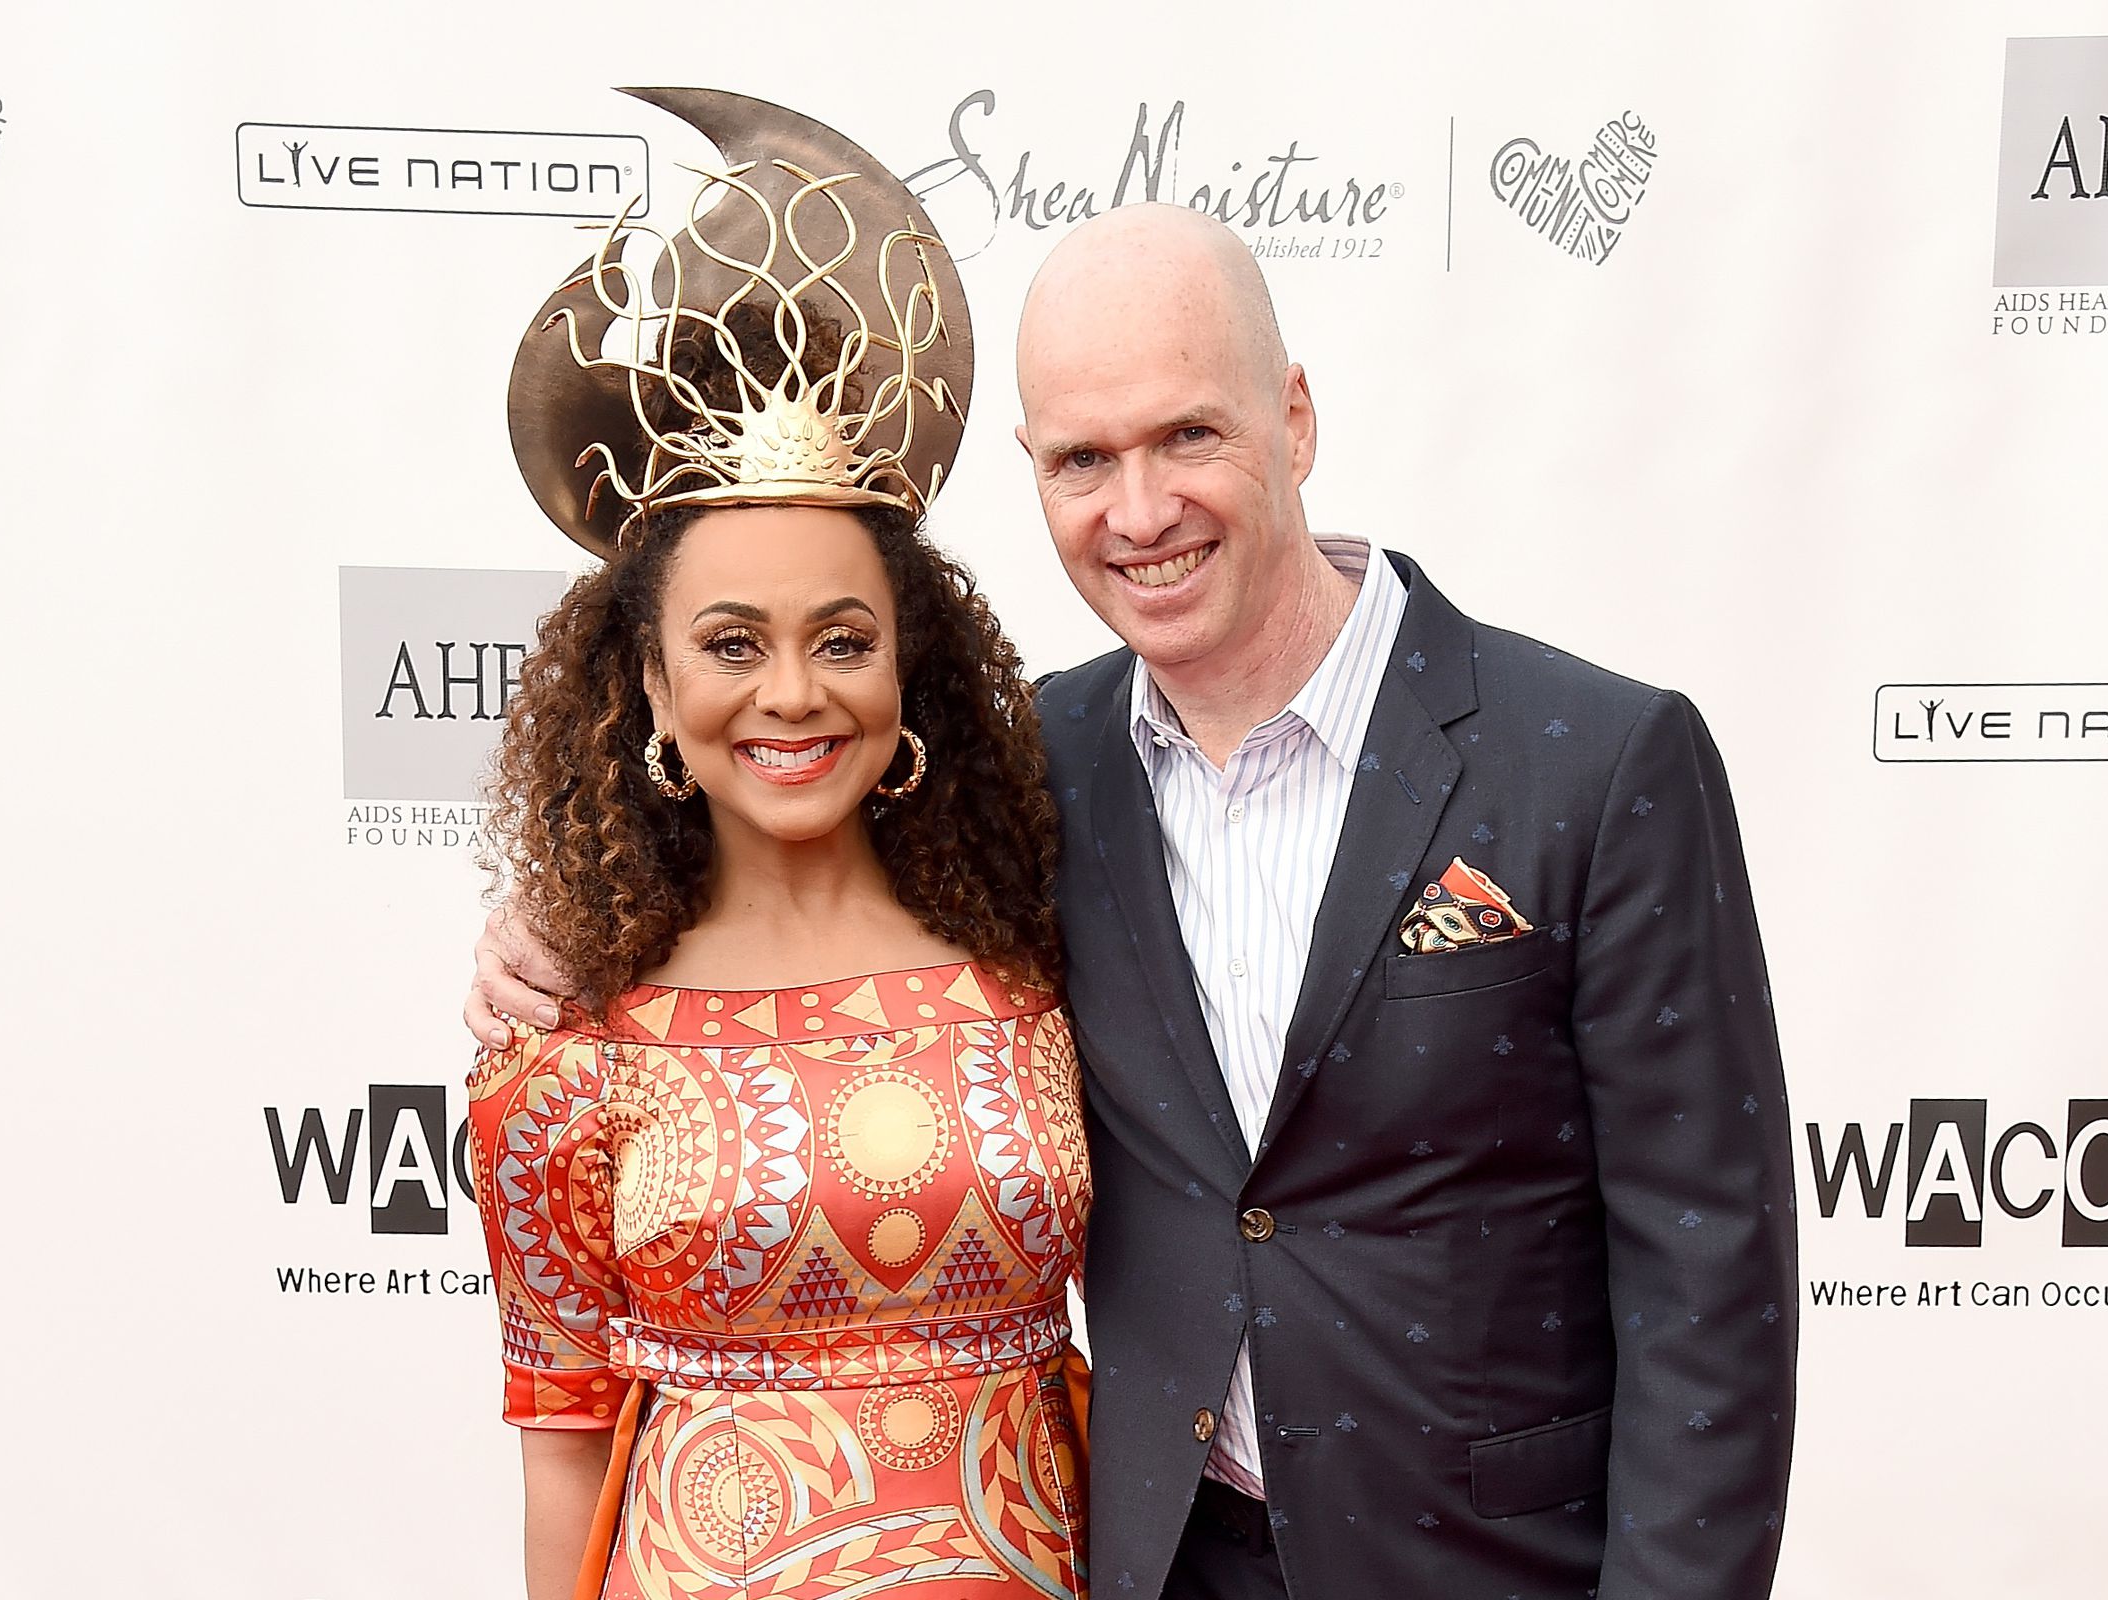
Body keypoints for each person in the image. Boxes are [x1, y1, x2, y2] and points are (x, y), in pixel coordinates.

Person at [478, 197, 1798, 1600]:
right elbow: (772, 805)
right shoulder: (1036, 776)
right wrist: (555, 932)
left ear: (1294, 418)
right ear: (1032, 473)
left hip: (1491, 1566)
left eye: (1190, 435)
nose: (1141, 510)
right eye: (1083, 460)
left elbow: (1710, 1282)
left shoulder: (1592, 761)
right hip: (1159, 1564)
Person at [466, 89, 1088, 1600]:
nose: (793, 694)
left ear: (908, 673)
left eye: (843, 638)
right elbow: (563, 1440)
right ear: (655, 693)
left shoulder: (1047, 953)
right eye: (732, 642)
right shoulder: (560, 1044)